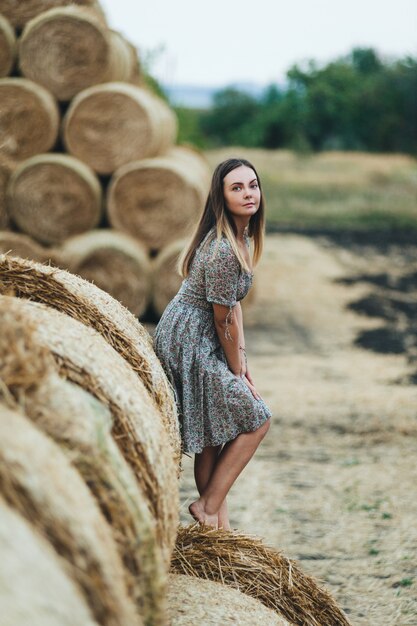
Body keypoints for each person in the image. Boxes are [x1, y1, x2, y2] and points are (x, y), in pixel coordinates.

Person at [153, 157, 272, 529]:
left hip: (202, 328)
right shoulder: (223, 250)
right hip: (190, 337)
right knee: (257, 419)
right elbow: (222, 319)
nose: (248, 193)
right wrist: (236, 371)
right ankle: (208, 505)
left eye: (252, 185)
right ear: (221, 197)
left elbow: (234, 307)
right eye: (237, 187)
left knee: (210, 432)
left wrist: (244, 362)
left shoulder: (242, 236)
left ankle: (215, 522)